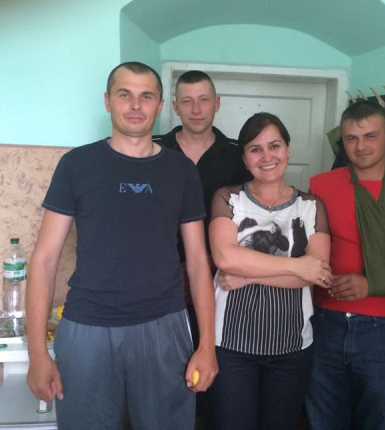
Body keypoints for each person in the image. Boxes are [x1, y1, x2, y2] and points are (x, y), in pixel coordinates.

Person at [25, 62, 217, 430]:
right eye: (125, 94)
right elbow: (45, 260)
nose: (135, 105)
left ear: (160, 105)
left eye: (146, 96)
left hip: (165, 325)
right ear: (107, 101)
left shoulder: (180, 171)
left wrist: (206, 346)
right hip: (87, 327)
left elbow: (197, 261)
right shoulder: (76, 165)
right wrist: (37, 353)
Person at [305, 102, 385, 430]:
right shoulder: (320, 185)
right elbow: (304, 250)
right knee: (324, 420)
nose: (360, 146)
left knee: (380, 420)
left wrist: (370, 284)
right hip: (325, 321)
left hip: (384, 327)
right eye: (351, 138)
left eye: (370, 136)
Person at [205, 112, 333, 430]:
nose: (266, 157)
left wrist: (247, 274)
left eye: (274, 146)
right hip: (231, 346)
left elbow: (317, 272)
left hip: (292, 348)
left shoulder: (311, 206)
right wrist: (297, 265)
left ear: (287, 150)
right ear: (244, 158)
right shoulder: (228, 198)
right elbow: (225, 257)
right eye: (255, 149)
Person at [154, 70, 247, 342]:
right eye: (187, 101)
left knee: (213, 355)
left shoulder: (239, 155)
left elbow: (253, 217)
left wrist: (208, 267)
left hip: (224, 280)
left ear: (216, 103)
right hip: (158, 280)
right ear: (175, 107)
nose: (196, 109)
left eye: (204, 100)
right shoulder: (151, 150)